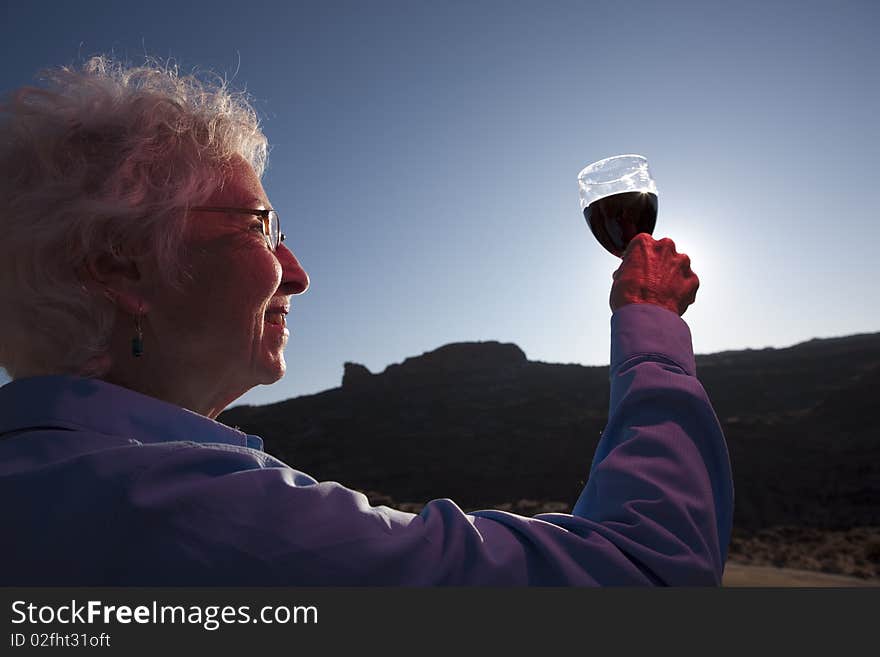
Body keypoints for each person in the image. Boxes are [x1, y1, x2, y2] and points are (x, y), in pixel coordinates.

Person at [0, 57, 733, 586]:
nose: (297, 271)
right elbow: (645, 573)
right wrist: (652, 324)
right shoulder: (203, 518)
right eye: (259, 227)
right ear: (119, 265)